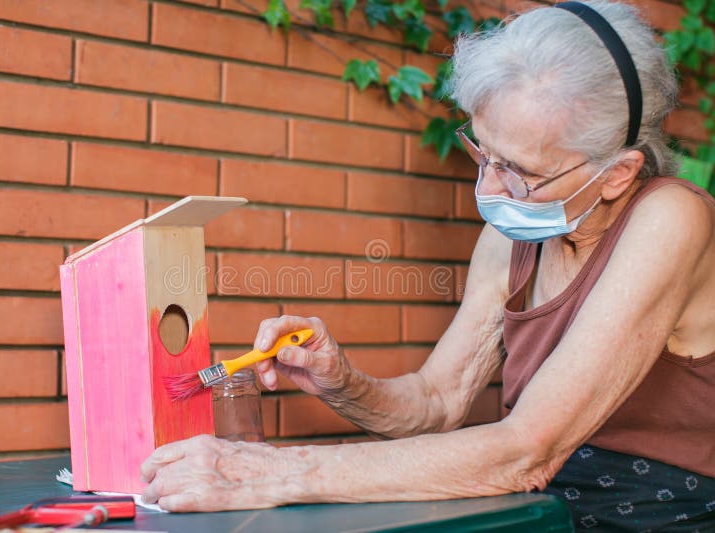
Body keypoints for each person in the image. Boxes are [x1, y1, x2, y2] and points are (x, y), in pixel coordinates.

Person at [141, 1, 715, 530]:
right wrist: (341, 382)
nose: (488, 187)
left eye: (520, 171)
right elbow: (437, 404)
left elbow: (527, 452)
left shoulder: (670, 217)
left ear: (616, 172)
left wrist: (271, 473)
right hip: (546, 508)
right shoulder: (509, 234)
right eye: (482, 152)